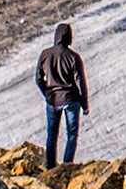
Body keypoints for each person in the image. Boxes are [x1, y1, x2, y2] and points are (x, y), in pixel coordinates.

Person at [36, 22, 89, 165]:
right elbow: (80, 82)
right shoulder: (73, 57)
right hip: (71, 100)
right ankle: (67, 165)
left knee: (52, 135)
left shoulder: (45, 54)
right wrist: (84, 104)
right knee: (72, 135)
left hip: (52, 100)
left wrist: (47, 93)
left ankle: (50, 166)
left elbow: (38, 79)